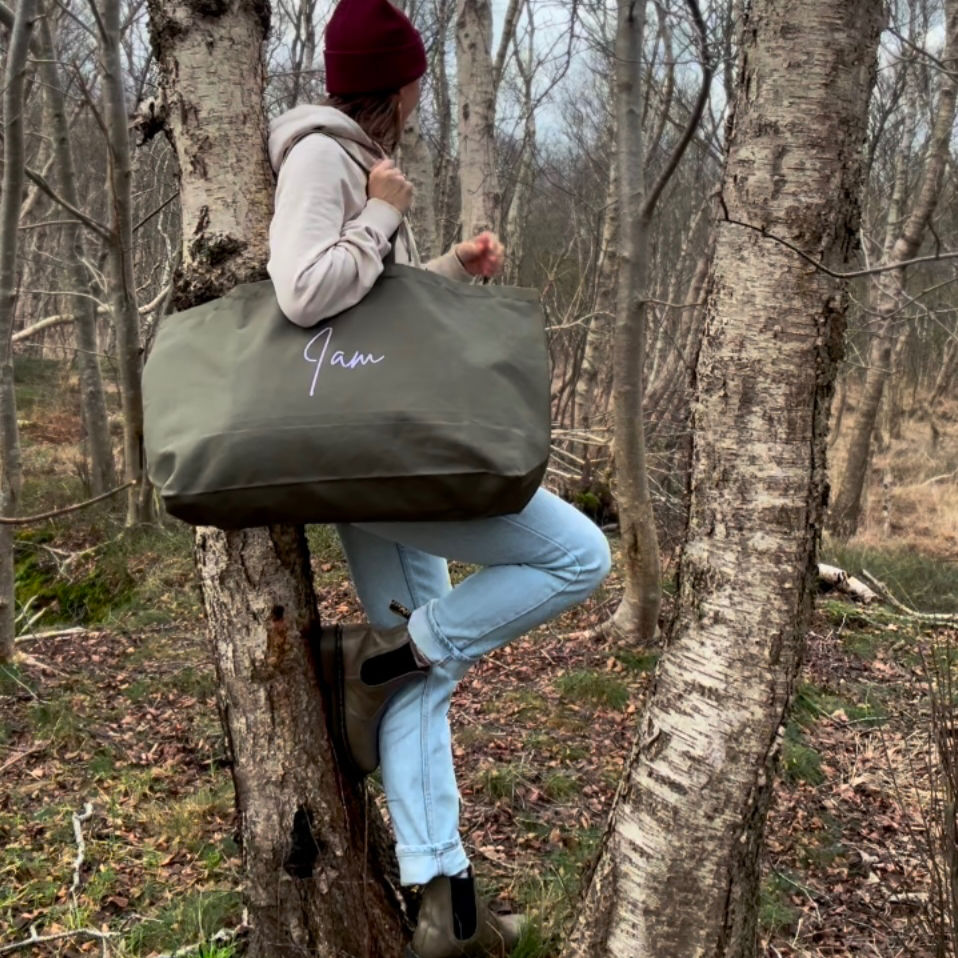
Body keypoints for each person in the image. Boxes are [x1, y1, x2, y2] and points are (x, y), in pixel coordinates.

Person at [266, 1, 611, 954]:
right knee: (577, 556)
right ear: (401, 83)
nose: (421, 97)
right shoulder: (322, 158)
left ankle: (440, 901)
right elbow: (304, 291)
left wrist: (446, 267)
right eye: (416, 82)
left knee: (425, 669)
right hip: (378, 455)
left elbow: (370, 313)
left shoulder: (346, 158)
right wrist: (383, 208)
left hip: (373, 440)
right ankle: (373, 659)